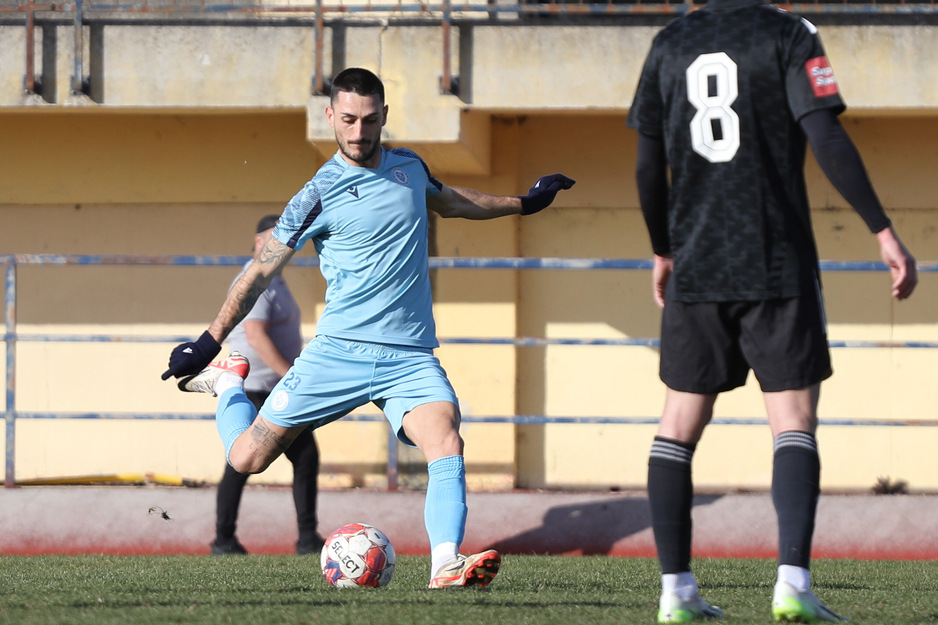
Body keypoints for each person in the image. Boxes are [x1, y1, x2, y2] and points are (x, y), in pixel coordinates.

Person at [162, 67, 575, 588]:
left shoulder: (409, 167)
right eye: (349, 120)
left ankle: (445, 563)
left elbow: (450, 201)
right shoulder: (317, 193)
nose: (360, 133)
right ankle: (229, 382)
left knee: (446, 440)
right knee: (245, 458)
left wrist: (525, 203)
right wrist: (208, 343)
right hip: (338, 353)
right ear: (330, 116)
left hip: (409, 357)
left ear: (384, 116)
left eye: (371, 120)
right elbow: (258, 272)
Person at [626, 1, 917, 622]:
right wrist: (882, 231)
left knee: (677, 423)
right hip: (776, 260)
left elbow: (649, 164)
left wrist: (662, 248)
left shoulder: (669, 42)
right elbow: (825, 133)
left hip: (697, 262)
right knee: (792, 420)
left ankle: (675, 592)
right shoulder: (789, 34)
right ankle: (792, 585)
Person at [210, 214, 324, 556]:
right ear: (259, 242)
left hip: (274, 387)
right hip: (260, 388)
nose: (284, 245)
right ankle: (226, 539)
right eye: (276, 238)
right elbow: (256, 337)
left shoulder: (274, 279)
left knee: (302, 458)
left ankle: (303, 538)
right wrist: (293, 376)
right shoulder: (255, 279)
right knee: (243, 462)